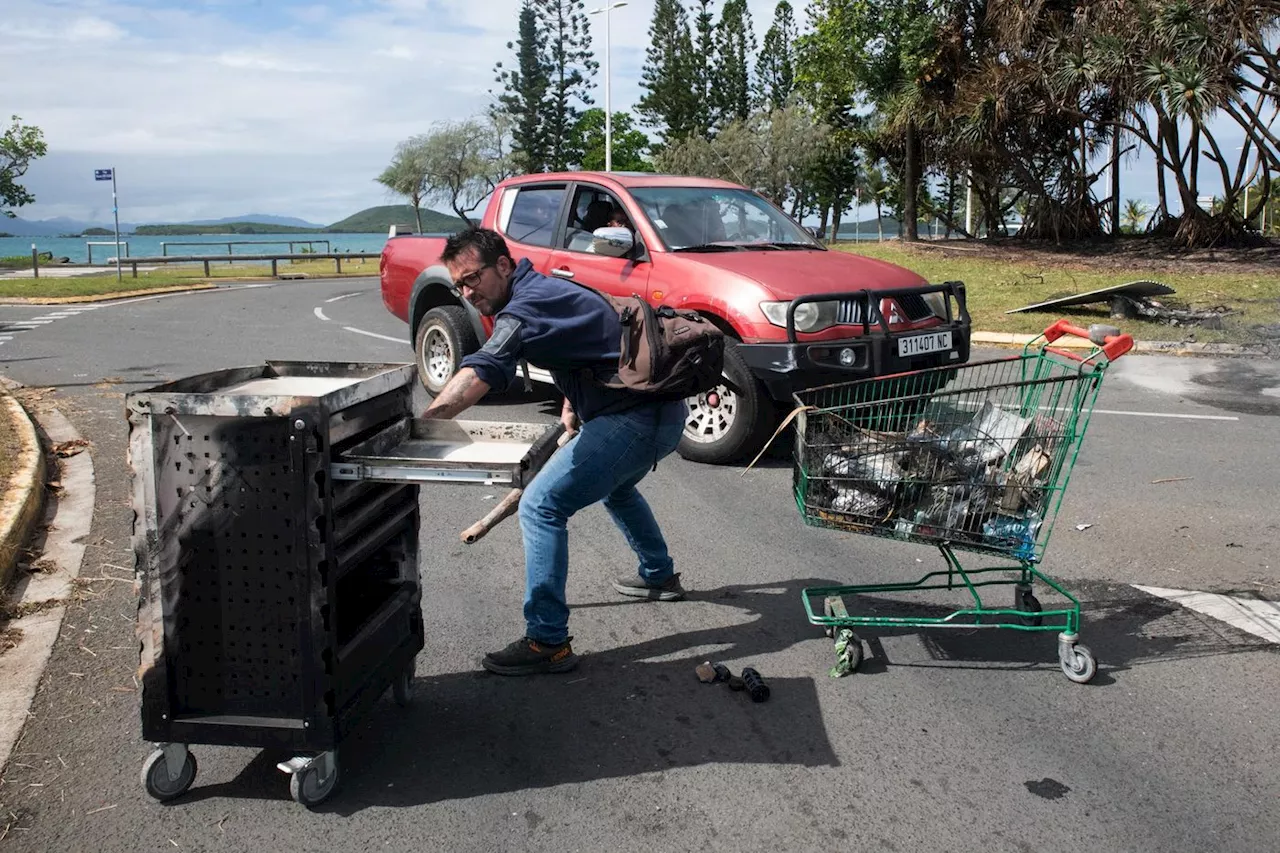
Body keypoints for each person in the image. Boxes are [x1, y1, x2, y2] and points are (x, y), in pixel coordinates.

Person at [423, 227, 687, 676]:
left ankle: (547, 641)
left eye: (473, 278)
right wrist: (573, 404)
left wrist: (423, 424)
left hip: (634, 421)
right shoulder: (549, 287)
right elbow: (591, 342)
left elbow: (481, 370)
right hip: (663, 415)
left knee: (540, 505)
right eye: (459, 285)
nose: (468, 292)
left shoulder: (524, 308)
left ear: (503, 266)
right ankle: (658, 573)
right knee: (617, 488)